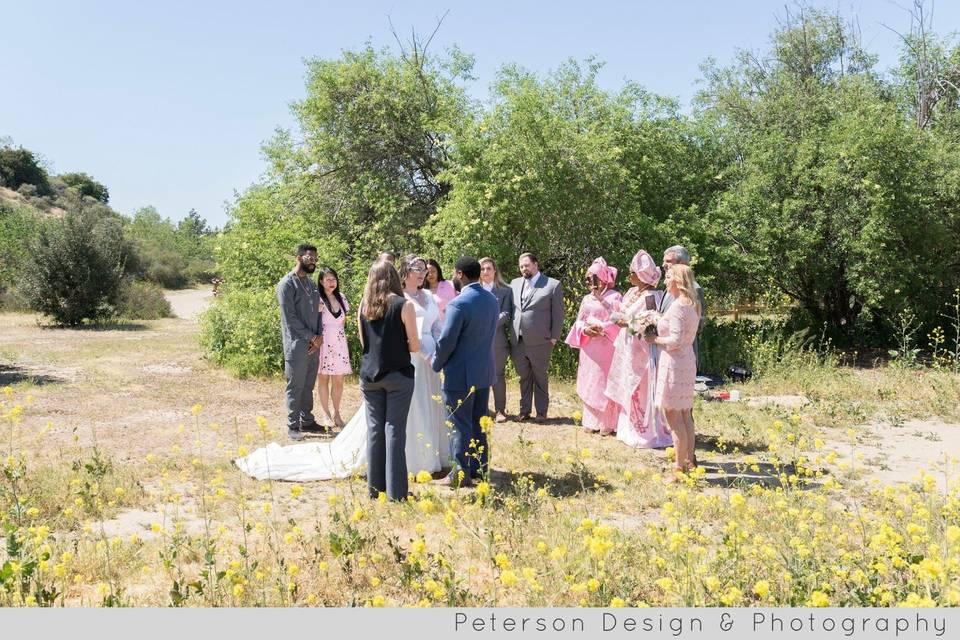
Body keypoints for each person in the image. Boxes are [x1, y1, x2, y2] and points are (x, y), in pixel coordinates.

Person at [235, 259, 450, 486]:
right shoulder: (399, 303)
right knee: (395, 424)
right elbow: (373, 340)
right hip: (405, 363)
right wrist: (407, 348)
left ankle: (380, 484)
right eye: (417, 269)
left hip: (414, 365)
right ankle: (404, 471)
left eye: (423, 269)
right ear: (401, 274)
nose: (422, 273)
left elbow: (370, 340)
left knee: (392, 421)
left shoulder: (376, 302)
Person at [432, 256, 499, 488]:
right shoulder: (491, 299)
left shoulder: (458, 304)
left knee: (459, 424)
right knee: (479, 422)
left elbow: (447, 340)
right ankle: (479, 468)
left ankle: (459, 474)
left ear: (460, 274)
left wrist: (435, 363)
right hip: (483, 372)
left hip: (460, 374)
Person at [605, 250, 672, 449]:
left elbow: (650, 321)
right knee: (627, 385)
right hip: (627, 346)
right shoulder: (633, 292)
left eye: (632, 272)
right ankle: (628, 429)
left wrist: (627, 322)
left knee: (640, 388)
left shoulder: (651, 296)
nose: (629, 276)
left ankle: (645, 431)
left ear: (641, 275)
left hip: (641, 348)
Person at [646, 264, 701, 479]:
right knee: (685, 413)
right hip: (686, 360)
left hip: (675, 363)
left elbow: (676, 340)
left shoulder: (679, 306)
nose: (665, 281)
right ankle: (688, 462)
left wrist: (655, 339)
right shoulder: (693, 304)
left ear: (678, 281)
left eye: (668, 278)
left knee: (673, 415)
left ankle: (679, 468)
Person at [565, 258, 621, 435]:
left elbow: (618, 319)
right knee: (590, 381)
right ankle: (591, 421)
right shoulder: (586, 299)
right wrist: (586, 329)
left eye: (593, 278)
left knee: (604, 382)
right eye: (588, 279)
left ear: (603, 278)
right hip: (590, 348)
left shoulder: (615, 296)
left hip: (607, 347)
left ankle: (608, 423)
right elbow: (579, 321)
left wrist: (601, 328)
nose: (590, 283)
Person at [276, 243, 323, 441]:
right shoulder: (287, 284)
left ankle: (307, 420)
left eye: (315, 259)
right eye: (309, 258)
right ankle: (293, 425)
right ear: (298, 258)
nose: (313, 262)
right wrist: (311, 337)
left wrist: (319, 336)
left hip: (314, 344)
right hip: (297, 344)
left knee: (308, 385)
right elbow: (290, 318)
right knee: (295, 385)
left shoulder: (312, 284)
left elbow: (319, 311)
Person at [510, 252, 564, 422]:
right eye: (521, 266)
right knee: (524, 377)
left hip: (541, 340)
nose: (523, 269)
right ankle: (524, 411)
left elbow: (558, 314)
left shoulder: (552, 285)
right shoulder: (514, 283)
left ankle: (541, 412)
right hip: (518, 340)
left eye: (526, 265)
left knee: (540, 376)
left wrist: (554, 337)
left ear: (535, 264)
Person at [479, 257, 515, 423]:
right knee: (479, 375)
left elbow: (506, 314)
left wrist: (489, 323)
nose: (485, 272)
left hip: (496, 340)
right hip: (476, 340)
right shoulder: (473, 290)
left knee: (497, 374)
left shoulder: (505, 290)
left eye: (488, 268)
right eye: (482, 269)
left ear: (495, 271)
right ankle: (482, 409)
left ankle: (500, 410)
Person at [660, 245, 706, 370]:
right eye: (664, 261)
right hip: (665, 352)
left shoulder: (693, 289)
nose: (664, 265)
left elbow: (698, 323)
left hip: (681, 357)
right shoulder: (669, 286)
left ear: (683, 264)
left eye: (668, 261)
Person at [316, 267, 351, 431]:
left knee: (338, 379)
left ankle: (337, 413)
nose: (331, 282)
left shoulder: (342, 298)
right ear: (321, 281)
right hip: (323, 341)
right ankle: (326, 413)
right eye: (328, 279)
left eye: (334, 279)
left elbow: (342, 322)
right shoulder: (318, 299)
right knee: (323, 378)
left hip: (339, 342)